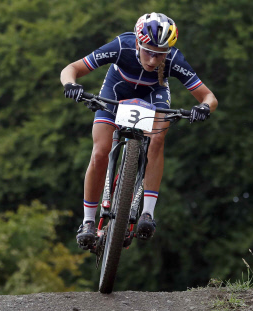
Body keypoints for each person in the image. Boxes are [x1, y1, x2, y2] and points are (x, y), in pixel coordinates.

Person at [60, 12, 218, 249]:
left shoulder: (174, 60)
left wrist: (204, 108)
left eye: (160, 54)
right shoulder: (121, 46)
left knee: (157, 139)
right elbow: (71, 68)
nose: (154, 60)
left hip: (154, 95)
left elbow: (209, 97)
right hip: (116, 91)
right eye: (148, 51)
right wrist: (71, 85)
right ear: (137, 42)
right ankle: (88, 222)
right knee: (100, 152)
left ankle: (146, 214)